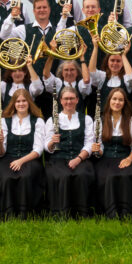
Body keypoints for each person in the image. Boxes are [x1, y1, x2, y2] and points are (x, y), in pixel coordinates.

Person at [0, 88, 46, 218]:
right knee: (6, 177)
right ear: (13, 104)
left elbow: (38, 150)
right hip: (8, 158)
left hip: (30, 159)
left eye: (24, 101)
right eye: (18, 101)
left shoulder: (38, 121)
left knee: (25, 176)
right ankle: (7, 214)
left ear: (29, 102)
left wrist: (21, 161)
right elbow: (0, 153)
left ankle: (26, 214)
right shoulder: (4, 122)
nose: (21, 104)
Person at [43, 86, 95, 218]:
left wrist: (78, 159)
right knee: (63, 176)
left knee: (81, 174)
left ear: (77, 100)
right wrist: (51, 143)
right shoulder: (52, 120)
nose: (69, 102)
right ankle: (61, 214)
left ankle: (81, 213)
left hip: (80, 158)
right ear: (61, 101)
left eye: (72, 98)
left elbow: (89, 143)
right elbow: (46, 146)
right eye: (66, 99)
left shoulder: (87, 119)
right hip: (58, 158)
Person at [90, 88, 132, 218]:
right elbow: (99, 149)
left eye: (120, 100)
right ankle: (109, 214)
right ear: (109, 101)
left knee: (126, 175)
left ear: (124, 103)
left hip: (125, 157)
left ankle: (125, 214)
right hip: (105, 159)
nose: (117, 102)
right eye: (114, 99)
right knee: (108, 177)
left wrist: (129, 159)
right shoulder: (100, 121)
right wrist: (97, 150)